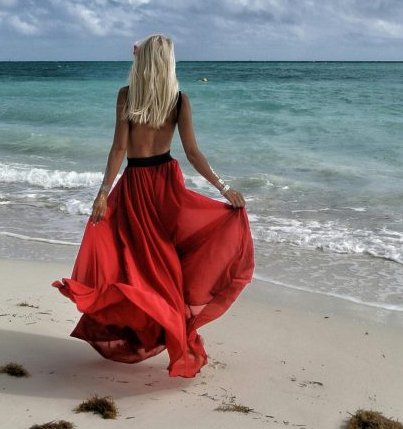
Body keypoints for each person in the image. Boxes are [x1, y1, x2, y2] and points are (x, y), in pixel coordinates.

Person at [52, 33, 254, 378]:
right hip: (166, 188)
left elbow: (119, 149)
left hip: (135, 186)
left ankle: (147, 332)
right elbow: (192, 153)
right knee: (166, 268)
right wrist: (223, 187)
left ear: (141, 61)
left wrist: (103, 192)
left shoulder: (126, 96)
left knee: (133, 265)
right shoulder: (178, 100)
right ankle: (175, 336)